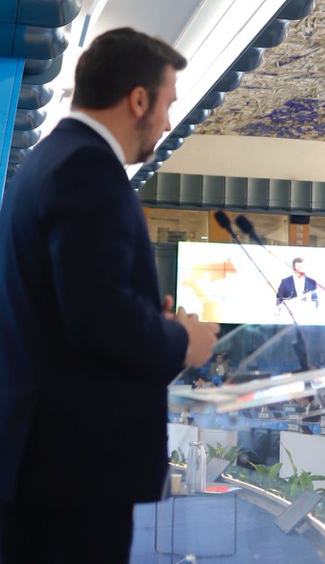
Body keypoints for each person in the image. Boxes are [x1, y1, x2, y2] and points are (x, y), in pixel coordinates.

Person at [0, 28, 220, 563]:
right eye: (167, 104)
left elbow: (73, 305)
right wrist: (181, 340)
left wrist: (144, 315)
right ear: (137, 99)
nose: (168, 123)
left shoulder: (49, 160)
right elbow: (98, 320)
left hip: (43, 464)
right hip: (71, 472)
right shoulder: (88, 170)